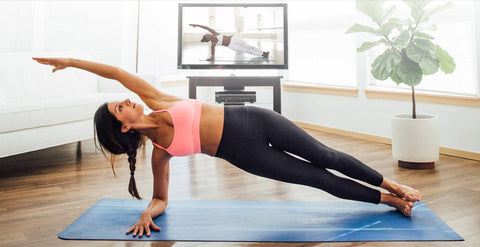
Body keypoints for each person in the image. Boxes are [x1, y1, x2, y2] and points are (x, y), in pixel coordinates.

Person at [33, 57, 421, 238]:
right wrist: (148, 213)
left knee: (327, 156)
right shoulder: (160, 153)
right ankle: (387, 202)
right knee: (315, 179)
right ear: (123, 124)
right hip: (245, 155)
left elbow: (116, 71)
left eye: (123, 99)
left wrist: (71, 62)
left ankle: (394, 186)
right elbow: (161, 198)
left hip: (256, 119)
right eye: (121, 106)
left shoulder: (155, 98)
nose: (127, 100)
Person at [189, 24, 270, 61]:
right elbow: (213, 54)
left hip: (234, 39)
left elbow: (206, 27)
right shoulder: (213, 44)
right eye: (207, 35)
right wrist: (211, 58)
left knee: (250, 47)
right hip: (232, 45)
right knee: (248, 51)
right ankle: (262, 54)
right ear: (208, 38)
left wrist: (196, 25)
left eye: (207, 33)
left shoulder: (215, 33)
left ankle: (263, 52)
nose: (208, 33)